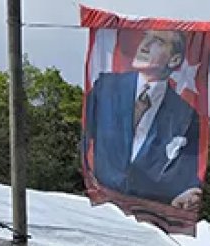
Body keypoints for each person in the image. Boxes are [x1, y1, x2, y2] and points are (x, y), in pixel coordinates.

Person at [82, 29, 202, 208]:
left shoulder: (185, 115)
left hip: (148, 213)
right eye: (145, 37)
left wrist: (184, 195)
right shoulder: (106, 88)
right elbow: (82, 138)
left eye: (158, 42)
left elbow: (186, 173)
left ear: (174, 60)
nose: (144, 46)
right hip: (97, 203)